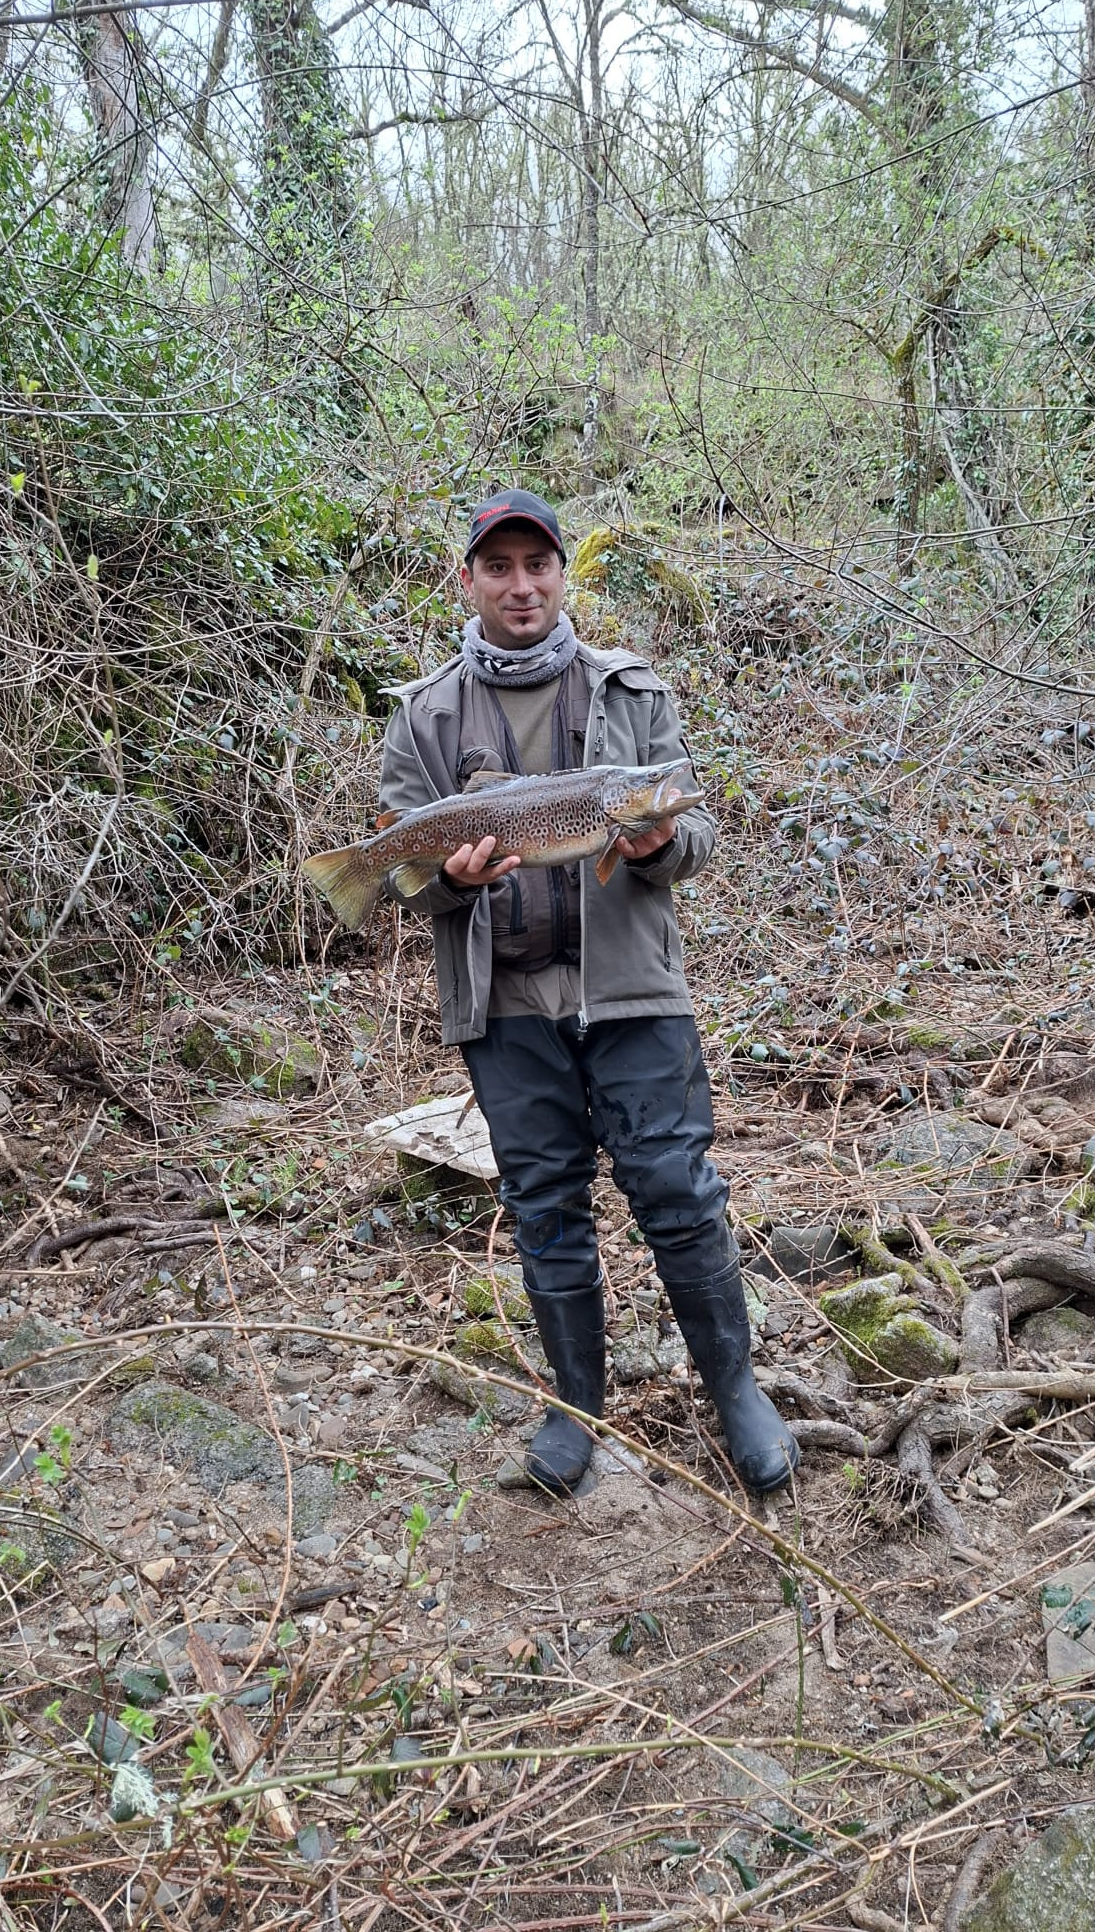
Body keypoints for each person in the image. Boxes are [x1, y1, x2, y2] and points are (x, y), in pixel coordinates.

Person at [378, 489, 799, 1497]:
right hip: (508, 1008)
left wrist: (655, 839)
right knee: (545, 1210)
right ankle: (576, 1409)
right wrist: (452, 877)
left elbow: (691, 833)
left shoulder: (632, 690)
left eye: (540, 566)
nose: (522, 586)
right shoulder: (424, 714)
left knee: (678, 1193)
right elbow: (404, 877)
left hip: (635, 997)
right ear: (469, 580)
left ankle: (736, 1391)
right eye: (500, 567)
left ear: (565, 574)